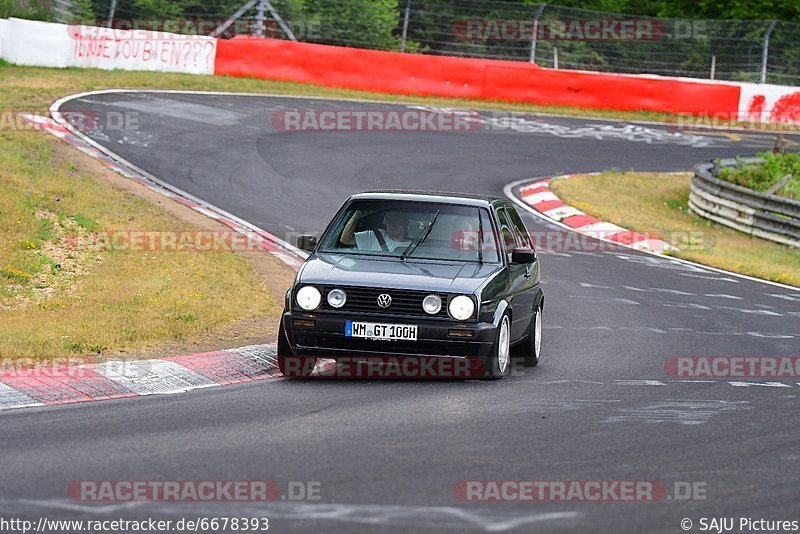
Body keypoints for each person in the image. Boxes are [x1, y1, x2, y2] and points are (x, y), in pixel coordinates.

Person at [340, 210, 412, 252]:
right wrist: (358, 213)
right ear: (385, 221)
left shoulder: (414, 248)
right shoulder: (373, 236)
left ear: (405, 223)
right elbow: (346, 240)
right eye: (389, 219)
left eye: (396, 220)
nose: (392, 223)